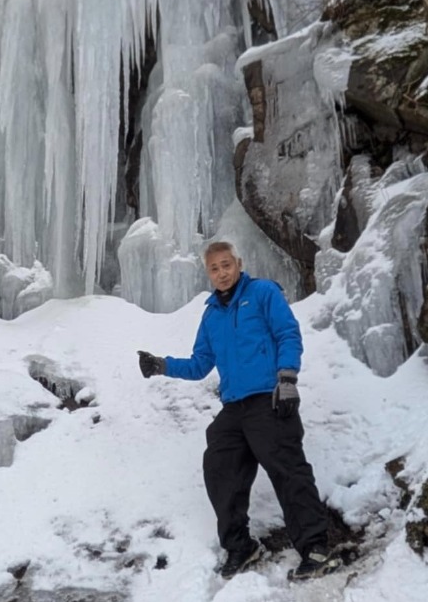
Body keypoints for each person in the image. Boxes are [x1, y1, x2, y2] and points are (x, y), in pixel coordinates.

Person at [137, 241, 337, 581]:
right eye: (214, 268)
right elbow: (201, 364)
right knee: (219, 468)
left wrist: (287, 378)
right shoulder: (211, 314)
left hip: (269, 398)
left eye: (226, 265)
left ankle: (316, 548)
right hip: (234, 407)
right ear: (208, 273)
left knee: (288, 470)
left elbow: (287, 333)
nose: (221, 273)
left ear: (238, 264)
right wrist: (161, 365)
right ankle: (240, 546)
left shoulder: (262, 293)